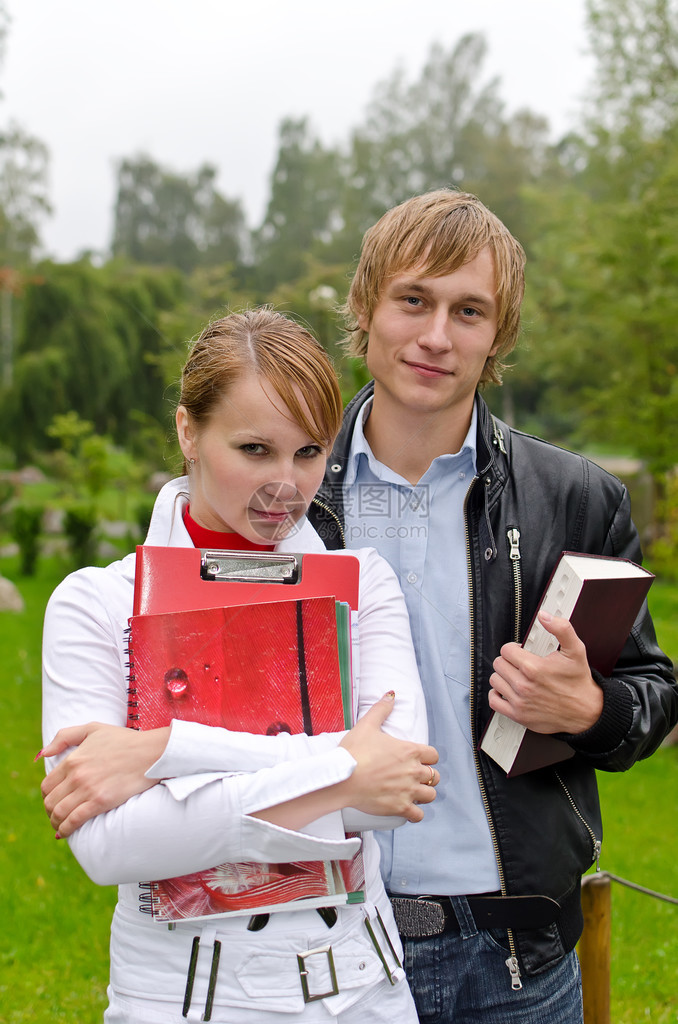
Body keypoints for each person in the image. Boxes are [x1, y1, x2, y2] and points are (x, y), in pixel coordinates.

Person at [306, 189, 678, 1023]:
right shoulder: (284, 492)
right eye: (414, 300)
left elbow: (653, 696)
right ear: (366, 307)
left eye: (468, 311)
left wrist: (588, 708)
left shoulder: (578, 499)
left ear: (498, 335)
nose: (437, 336)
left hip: (509, 961)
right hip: (314, 939)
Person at [39, 307, 440, 1024]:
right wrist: (341, 767)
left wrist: (165, 754)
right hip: (185, 998)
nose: (286, 484)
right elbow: (112, 846)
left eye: (309, 451)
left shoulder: (362, 581)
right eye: (255, 449)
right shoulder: (94, 603)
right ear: (187, 431)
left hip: (363, 992)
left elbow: (395, 785)